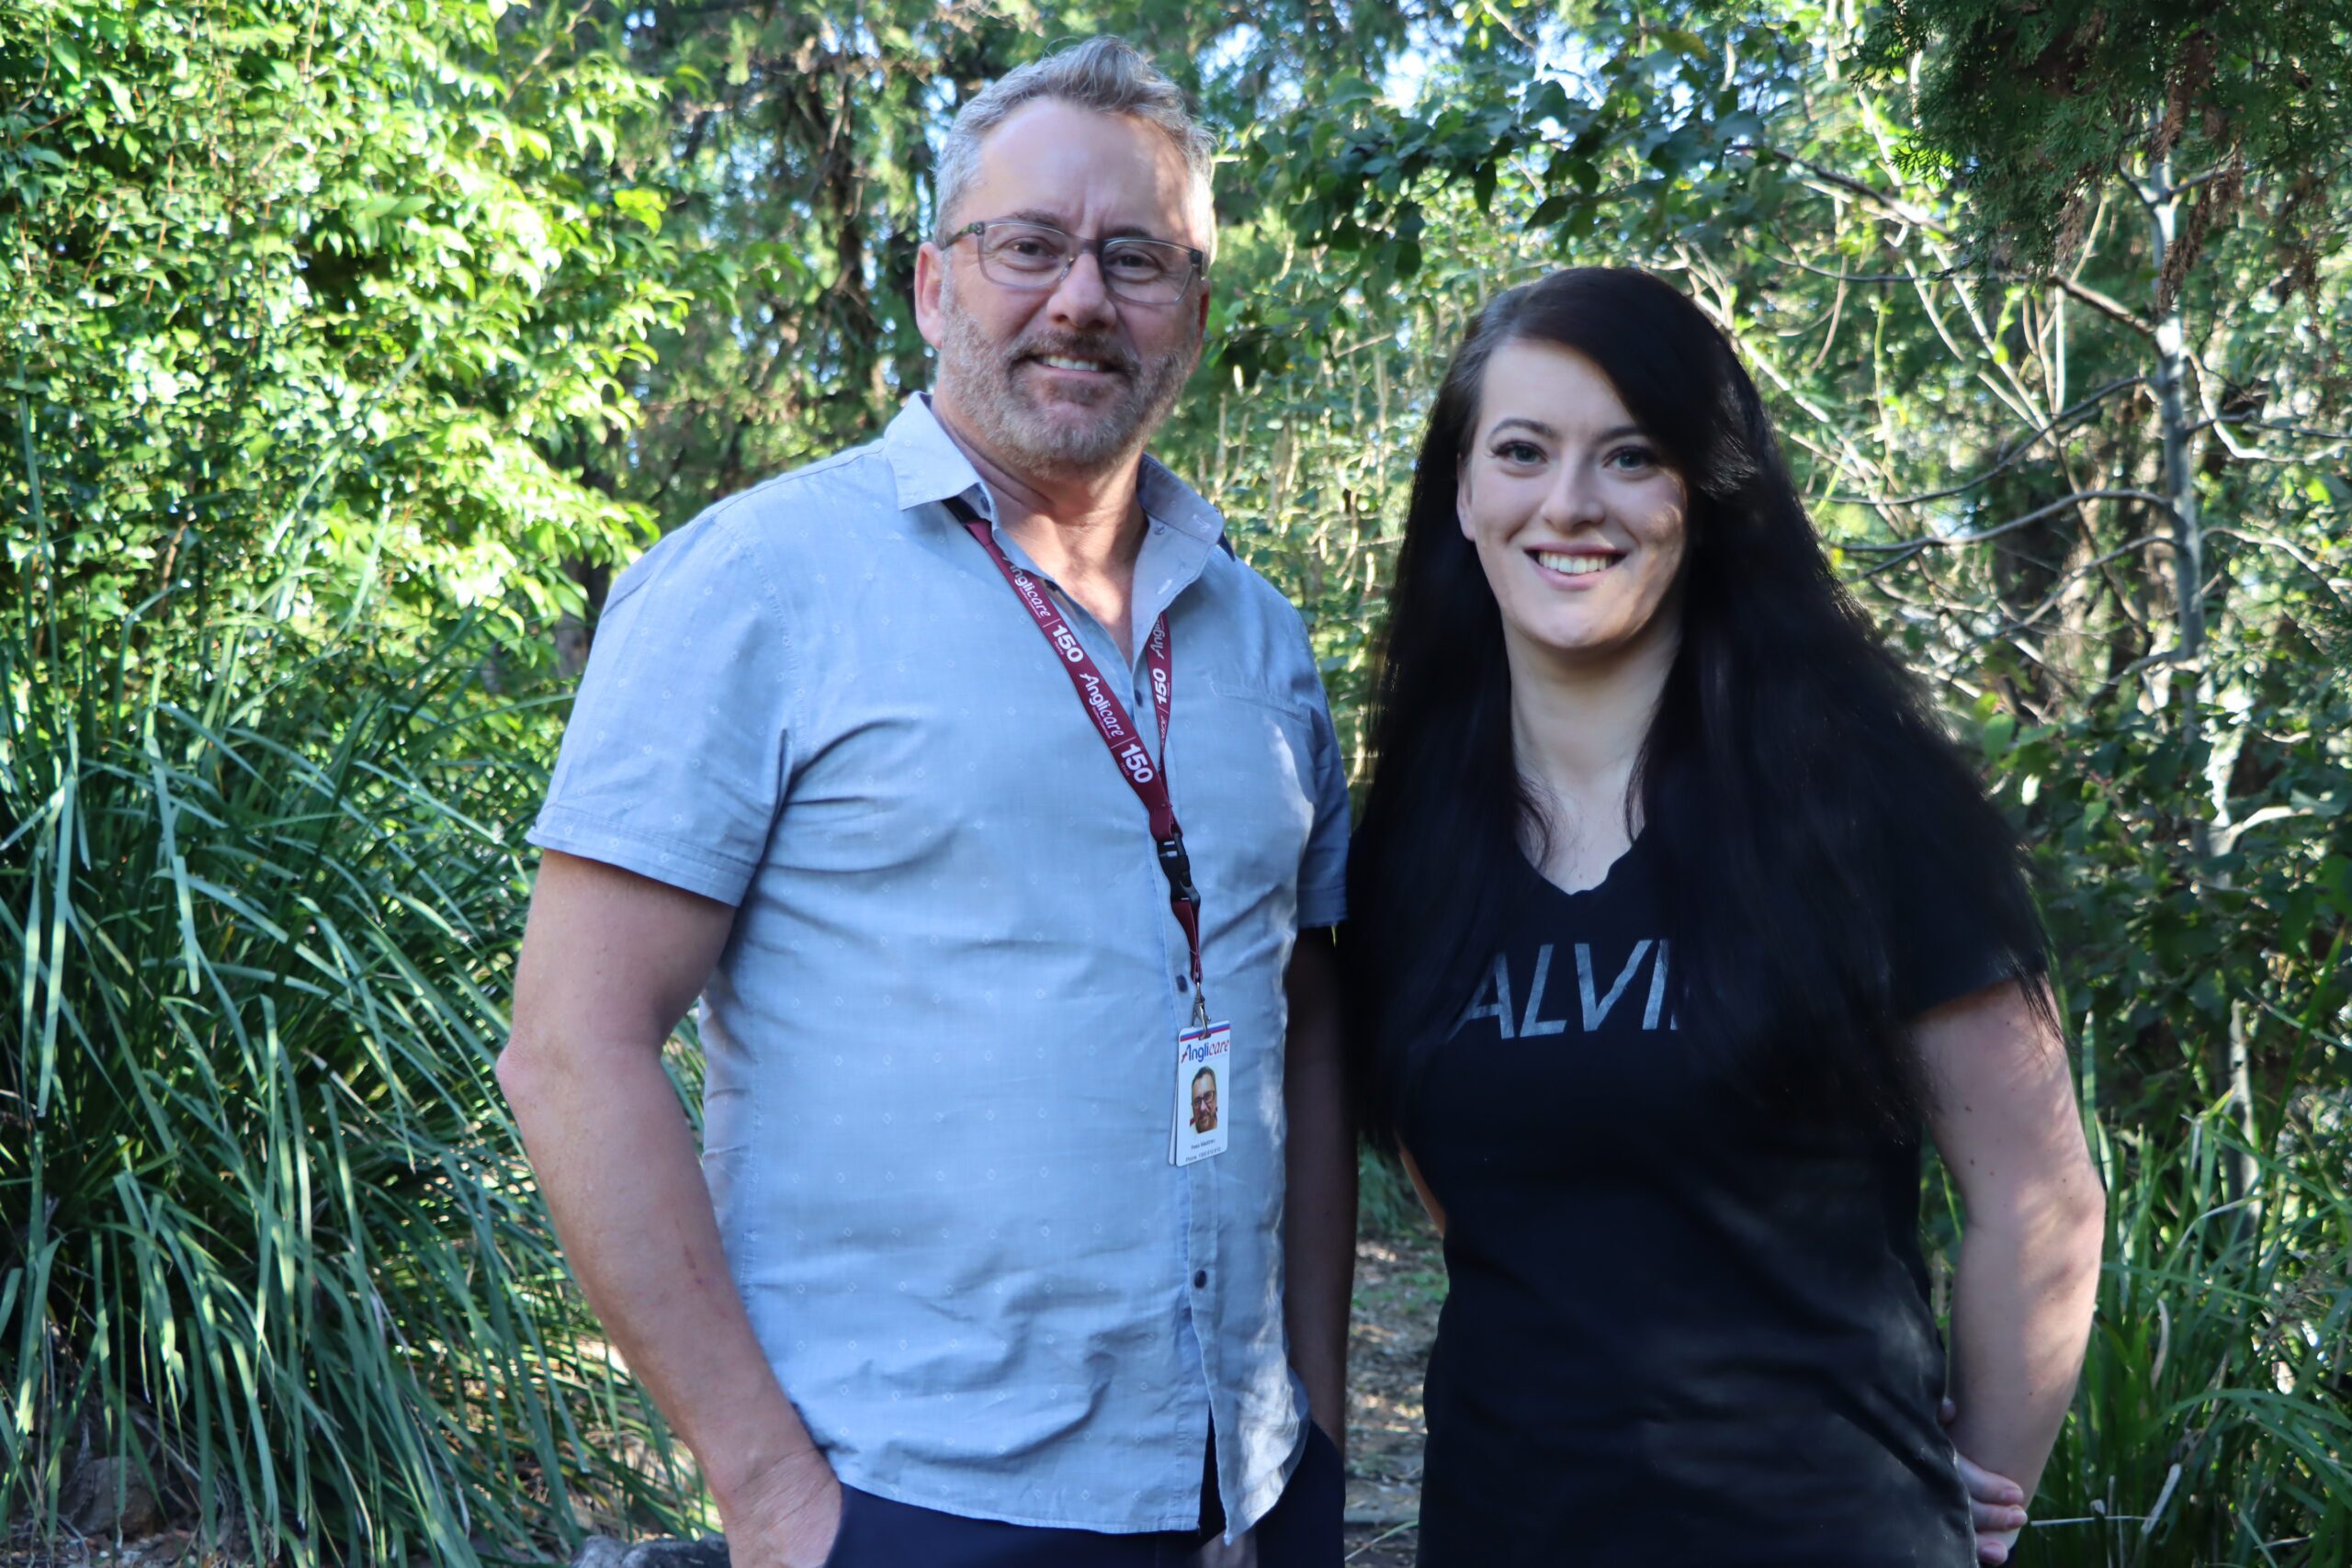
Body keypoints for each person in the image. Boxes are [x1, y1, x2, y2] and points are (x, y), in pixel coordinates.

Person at [496, 38, 1354, 1568]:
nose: (1081, 298)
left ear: (1196, 313)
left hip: (1250, 1487)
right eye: (1028, 246)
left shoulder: (1260, 635)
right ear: (932, 284)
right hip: (909, 1497)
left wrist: (1321, 1416)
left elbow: (1306, 1021)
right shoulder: (758, 585)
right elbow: (572, 1047)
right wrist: (771, 1497)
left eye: (1136, 258)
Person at [1343, 268, 2106, 1567]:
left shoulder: (1866, 807)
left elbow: (2042, 1198)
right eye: (1523, 452)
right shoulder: (1407, 850)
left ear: (1703, 492)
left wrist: (1978, 1485)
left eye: (1630, 455)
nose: (1570, 503)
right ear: (1464, 493)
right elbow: (1466, 1186)